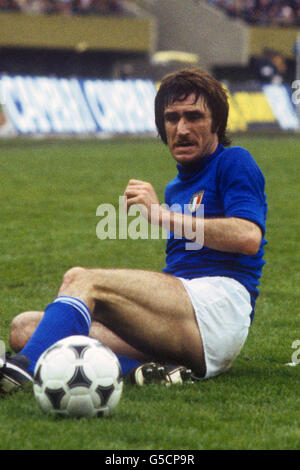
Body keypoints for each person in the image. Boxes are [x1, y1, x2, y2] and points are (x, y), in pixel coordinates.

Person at [0, 67, 267, 393]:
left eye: (193, 117)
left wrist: (160, 215)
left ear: (217, 124)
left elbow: (248, 237)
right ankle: (150, 371)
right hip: (183, 317)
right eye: (172, 118)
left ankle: (19, 373)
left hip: (218, 310)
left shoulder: (234, 161)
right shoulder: (176, 187)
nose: (181, 128)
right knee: (25, 328)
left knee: (82, 279)